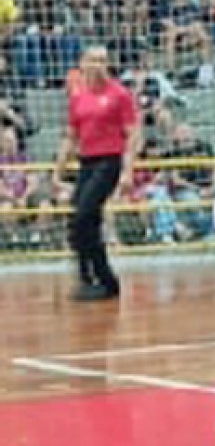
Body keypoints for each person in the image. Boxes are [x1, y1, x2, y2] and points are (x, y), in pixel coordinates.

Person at [58, 45, 141, 301]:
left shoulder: (120, 95)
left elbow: (134, 134)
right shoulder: (78, 97)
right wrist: (58, 169)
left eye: (103, 61)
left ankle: (104, 278)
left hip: (109, 160)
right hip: (87, 161)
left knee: (85, 215)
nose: (98, 65)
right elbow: (71, 136)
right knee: (79, 220)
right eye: (93, 60)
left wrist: (128, 171)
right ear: (82, 64)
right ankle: (88, 277)